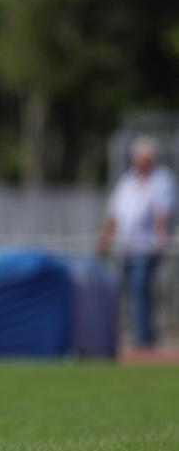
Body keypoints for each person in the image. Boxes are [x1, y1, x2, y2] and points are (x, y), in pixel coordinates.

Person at [97, 136, 175, 347]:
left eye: (141, 158)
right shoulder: (128, 180)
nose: (137, 161)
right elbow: (114, 212)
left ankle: (143, 339)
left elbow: (162, 213)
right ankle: (128, 334)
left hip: (146, 247)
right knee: (120, 290)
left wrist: (160, 237)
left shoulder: (162, 180)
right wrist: (105, 237)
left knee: (140, 288)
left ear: (150, 158)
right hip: (125, 247)